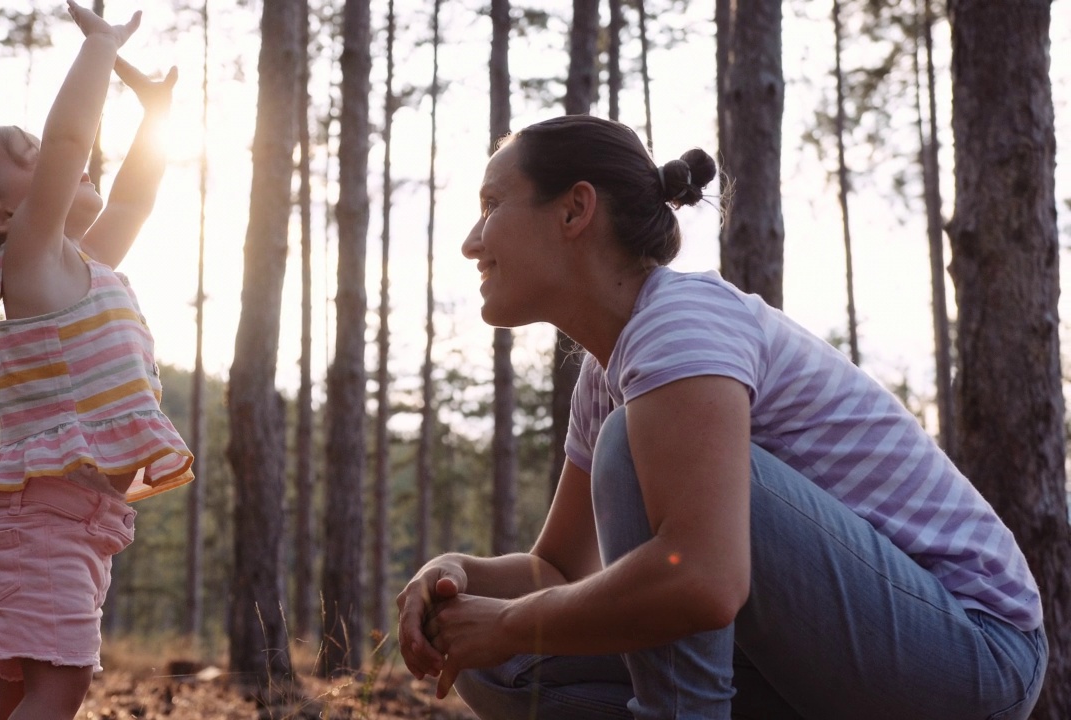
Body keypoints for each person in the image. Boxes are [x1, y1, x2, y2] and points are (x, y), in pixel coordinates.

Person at [395, 114, 1047, 720]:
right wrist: (454, 574)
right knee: (500, 668)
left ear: (574, 209)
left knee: (525, 614)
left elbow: (703, 580)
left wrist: (511, 622)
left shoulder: (679, 326)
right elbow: (557, 572)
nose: (470, 242)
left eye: (489, 206)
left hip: (973, 655)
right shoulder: (609, 372)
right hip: (831, 654)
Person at [0, 4, 191, 718]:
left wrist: (154, 115)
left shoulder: (78, 268)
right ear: (1, 219)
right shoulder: (30, 265)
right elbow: (70, 136)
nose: (71, 159)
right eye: (31, 160)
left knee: (15, 695)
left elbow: (134, 195)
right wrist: (98, 49)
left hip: (62, 528)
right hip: (42, 530)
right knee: (56, 693)